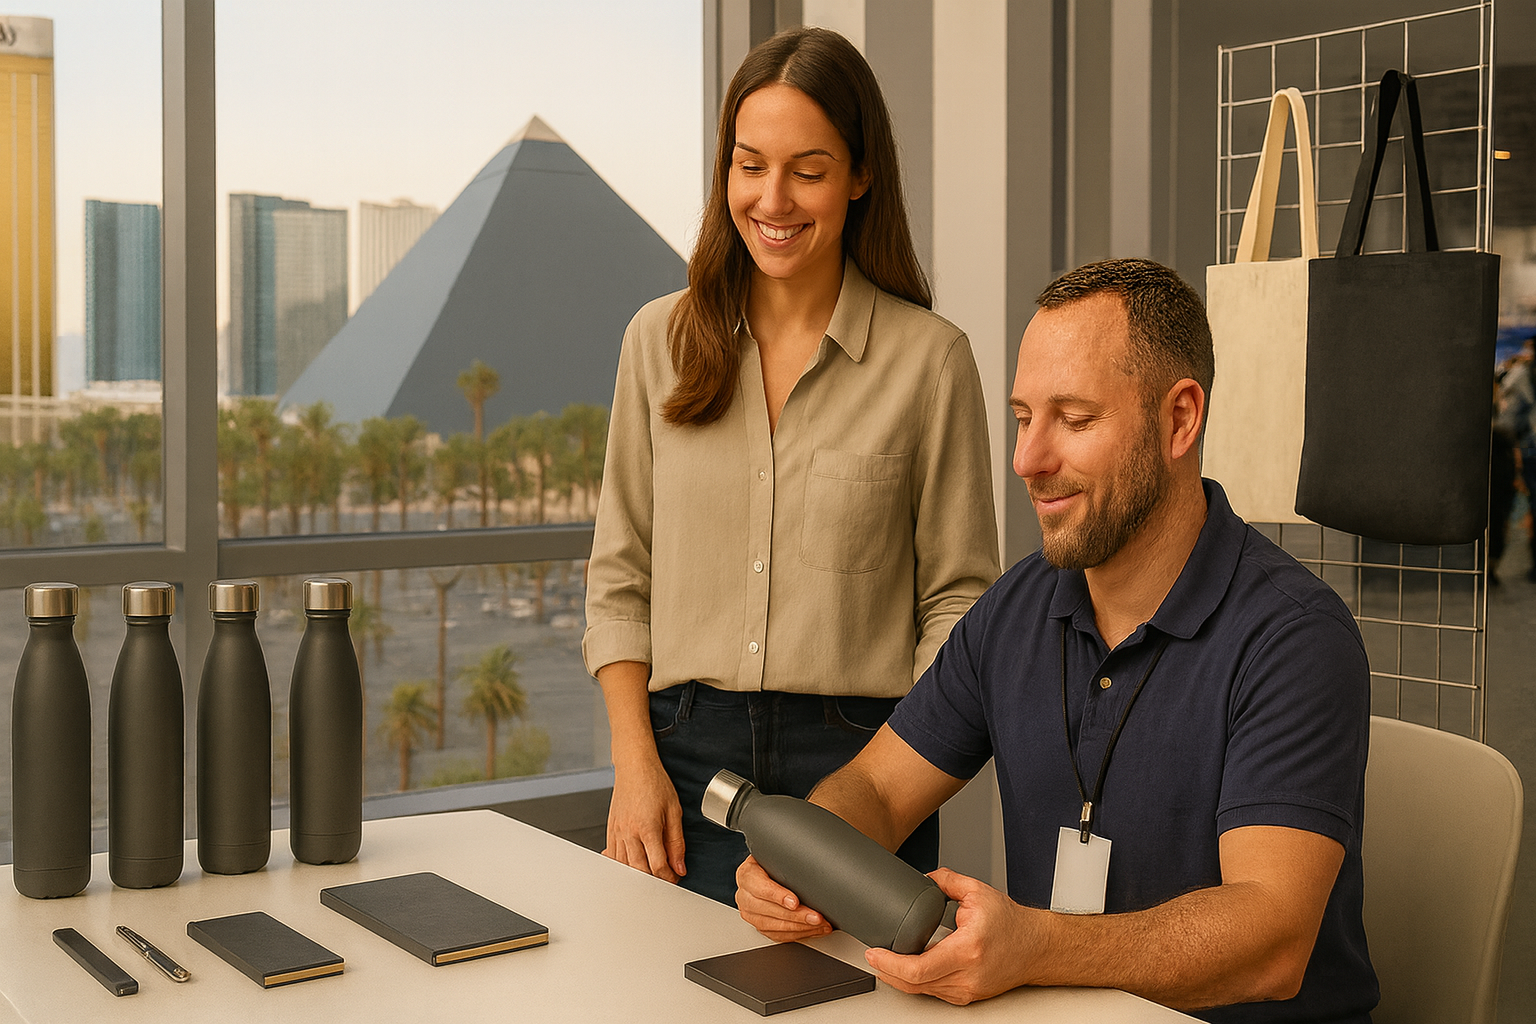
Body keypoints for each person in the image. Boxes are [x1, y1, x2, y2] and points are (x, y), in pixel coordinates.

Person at [736, 258, 1379, 1022]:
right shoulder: (1017, 607)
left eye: (1073, 420)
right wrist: (806, 853)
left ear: (1180, 420)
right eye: (1022, 417)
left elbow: (1273, 941)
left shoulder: (1294, 639)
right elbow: (876, 788)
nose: (1028, 461)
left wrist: (1036, 948)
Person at [583, 27, 1000, 906]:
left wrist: (883, 788)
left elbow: (959, 603)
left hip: (861, 765)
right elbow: (620, 580)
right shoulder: (655, 342)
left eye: (808, 169)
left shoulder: (930, 363)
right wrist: (634, 765)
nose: (773, 198)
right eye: (749, 164)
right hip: (680, 767)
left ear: (860, 174)